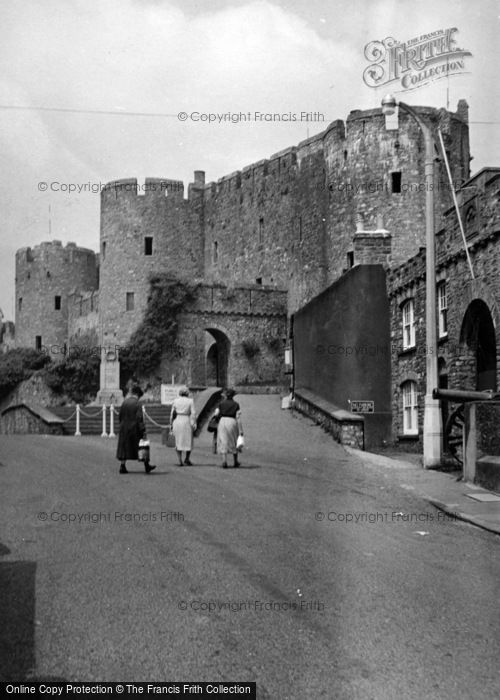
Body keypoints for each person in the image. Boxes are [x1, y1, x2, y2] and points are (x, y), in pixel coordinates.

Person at [116, 384, 156, 474]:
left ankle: (122, 465)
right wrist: (143, 429)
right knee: (143, 445)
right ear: (138, 395)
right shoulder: (137, 404)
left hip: (124, 427)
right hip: (134, 428)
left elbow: (120, 416)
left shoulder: (124, 402)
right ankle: (146, 465)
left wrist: (122, 425)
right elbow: (139, 418)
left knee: (124, 447)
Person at [215, 388, 243, 468]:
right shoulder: (236, 404)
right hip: (232, 421)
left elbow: (216, 413)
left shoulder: (221, 404)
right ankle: (235, 461)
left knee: (223, 440)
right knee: (234, 440)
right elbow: (238, 417)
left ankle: (224, 461)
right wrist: (241, 430)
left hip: (223, 421)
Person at [170, 386, 197, 466]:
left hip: (177, 420)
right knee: (188, 440)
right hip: (186, 420)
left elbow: (172, 413)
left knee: (178, 440)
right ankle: (187, 458)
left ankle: (179, 459)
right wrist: (193, 422)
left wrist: (171, 423)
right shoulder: (190, 401)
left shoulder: (175, 401)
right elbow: (193, 413)